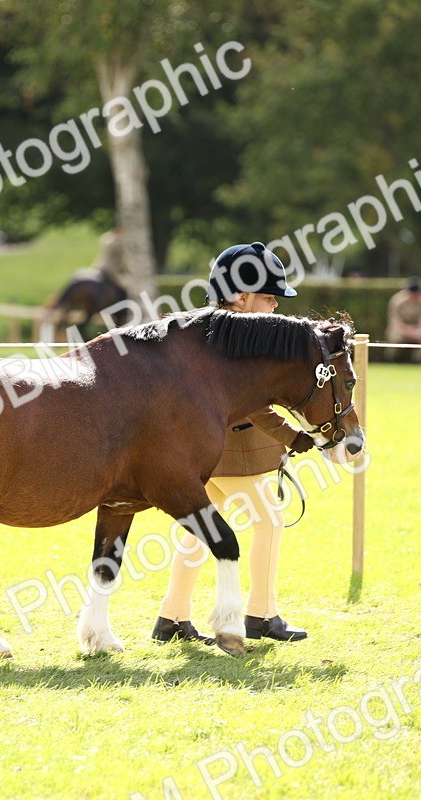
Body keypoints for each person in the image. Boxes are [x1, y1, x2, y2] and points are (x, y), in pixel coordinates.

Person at [152, 241, 318, 647]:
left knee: (200, 530)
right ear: (242, 297)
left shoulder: (208, 331)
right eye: (268, 298)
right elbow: (254, 408)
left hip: (210, 454)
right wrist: (293, 436)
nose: (275, 307)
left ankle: (172, 617)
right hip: (234, 454)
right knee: (270, 521)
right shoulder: (236, 341)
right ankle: (262, 613)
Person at [386, 276, 421, 362]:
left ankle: (417, 359)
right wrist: (409, 331)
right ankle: (392, 359)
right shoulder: (397, 300)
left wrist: (419, 331)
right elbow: (394, 322)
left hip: (418, 330)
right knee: (395, 336)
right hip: (401, 330)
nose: (416, 294)